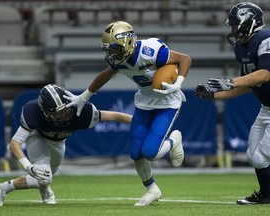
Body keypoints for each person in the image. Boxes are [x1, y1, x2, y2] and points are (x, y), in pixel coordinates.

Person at [63, 21, 192, 206]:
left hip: (167, 101)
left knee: (151, 153)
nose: (112, 53)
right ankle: (152, 190)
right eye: (109, 49)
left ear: (129, 42)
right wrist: (84, 97)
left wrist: (177, 84)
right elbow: (105, 74)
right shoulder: (117, 59)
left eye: (115, 48)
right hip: (144, 101)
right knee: (135, 153)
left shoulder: (150, 50)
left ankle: (174, 140)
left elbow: (185, 59)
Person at [0, 84, 132, 207]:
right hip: (37, 137)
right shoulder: (32, 112)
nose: (65, 116)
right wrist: (27, 166)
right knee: (44, 177)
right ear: (45, 112)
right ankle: (2, 188)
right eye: (59, 114)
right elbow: (14, 144)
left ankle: (44, 188)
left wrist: (140, 123)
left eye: (66, 111)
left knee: (47, 175)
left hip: (58, 143)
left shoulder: (81, 110)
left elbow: (114, 116)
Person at [195, 2, 270, 205]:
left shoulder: (266, 40)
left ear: (248, 23)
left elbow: (264, 74)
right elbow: (247, 85)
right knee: (252, 154)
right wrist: (214, 95)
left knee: (262, 156)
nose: (232, 30)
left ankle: (267, 196)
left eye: (235, 25)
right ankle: (266, 195)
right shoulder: (243, 47)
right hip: (266, 108)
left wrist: (230, 82)